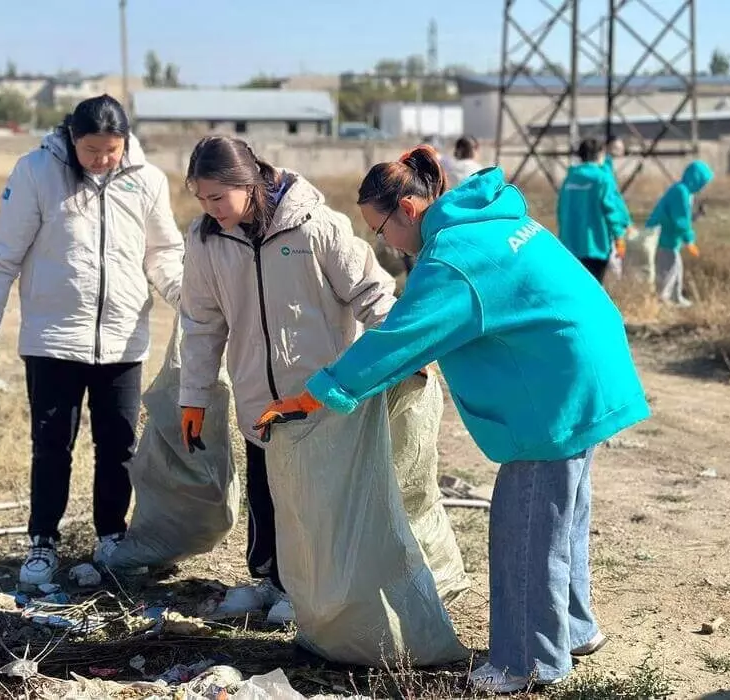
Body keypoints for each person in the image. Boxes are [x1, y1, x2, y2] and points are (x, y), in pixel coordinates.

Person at [253, 147, 650, 693]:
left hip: (553, 387)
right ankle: (571, 629)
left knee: (526, 526)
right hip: (586, 366)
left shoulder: (452, 258)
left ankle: (528, 662)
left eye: (381, 229)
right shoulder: (488, 218)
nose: (383, 243)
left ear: (410, 209)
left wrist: (317, 394)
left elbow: (400, 338)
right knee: (562, 515)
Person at [0, 95, 184, 590]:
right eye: (92, 150)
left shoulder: (146, 180)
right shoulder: (37, 172)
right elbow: (2, 255)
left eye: (112, 149)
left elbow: (164, 252)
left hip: (124, 339)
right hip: (53, 339)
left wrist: (187, 296)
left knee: (119, 445)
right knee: (52, 445)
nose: (103, 160)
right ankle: (42, 541)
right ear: (71, 139)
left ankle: (111, 536)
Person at [178, 135, 397, 622]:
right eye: (201, 198)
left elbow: (371, 292)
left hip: (318, 394)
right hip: (259, 396)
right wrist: (193, 395)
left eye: (218, 197)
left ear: (248, 183)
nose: (210, 208)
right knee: (266, 491)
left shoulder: (314, 227)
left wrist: (403, 350)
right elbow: (201, 323)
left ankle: (315, 590)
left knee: (319, 502)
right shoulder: (206, 241)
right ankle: (274, 582)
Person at [557, 138, 631, 284]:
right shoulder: (602, 178)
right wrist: (619, 237)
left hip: (570, 244)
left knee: (575, 287)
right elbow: (611, 210)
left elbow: (560, 209)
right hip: (595, 245)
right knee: (594, 288)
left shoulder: (570, 178)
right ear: (599, 154)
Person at [646, 160, 713, 307]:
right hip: (664, 237)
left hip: (671, 237)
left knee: (676, 266)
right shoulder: (681, 192)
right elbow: (680, 220)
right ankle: (662, 299)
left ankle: (675, 297)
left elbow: (684, 218)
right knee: (668, 267)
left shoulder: (685, 192)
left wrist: (697, 216)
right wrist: (690, 241)